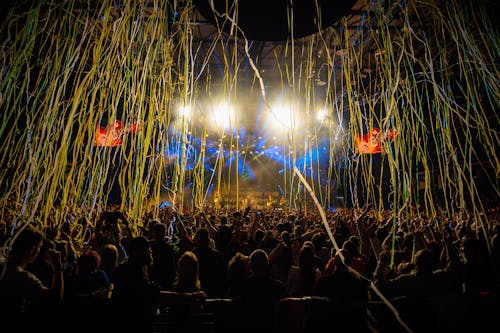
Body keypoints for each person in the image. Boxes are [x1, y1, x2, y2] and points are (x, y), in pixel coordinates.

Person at [110, 236, 205, 332]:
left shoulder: (133, 270)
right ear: (136, 252)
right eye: (147, 249)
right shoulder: (131, 273)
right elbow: (155, 295)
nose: (150, 252)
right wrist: (191, 296)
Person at [0, 226, 64, 332]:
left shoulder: (2, 263)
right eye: (40, 247)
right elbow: (55, 300)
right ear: (33, 250)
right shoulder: (23, 278)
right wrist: (58, 267)